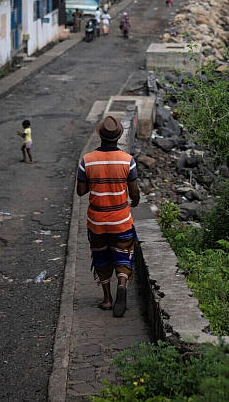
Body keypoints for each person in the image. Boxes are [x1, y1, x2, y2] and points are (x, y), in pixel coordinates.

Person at [76, 116, 140, 316]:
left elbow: (80, 191)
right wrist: (135, 202)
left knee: (101, 257)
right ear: (119, 136)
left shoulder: (87, 160)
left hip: (97, 221)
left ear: (100, 135)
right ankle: (122, 283)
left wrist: (95, 180)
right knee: (123, 253)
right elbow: (134, 192)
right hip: (121, 220)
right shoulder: (127, 161)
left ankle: (107, 299)